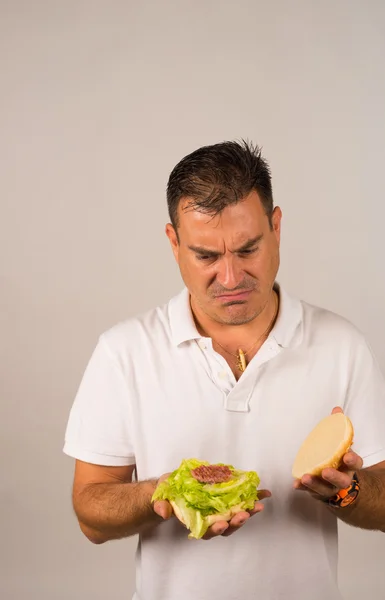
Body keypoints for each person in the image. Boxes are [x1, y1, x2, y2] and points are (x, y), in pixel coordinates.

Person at [63, 140, 385, 600]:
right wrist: (170, 494)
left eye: (248, 249)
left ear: (276, 228)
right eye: (207, 256)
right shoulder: (124, 351)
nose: (231, 278)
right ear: (174, 244)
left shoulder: (342, 344)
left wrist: (347, 492)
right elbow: (90, 515)